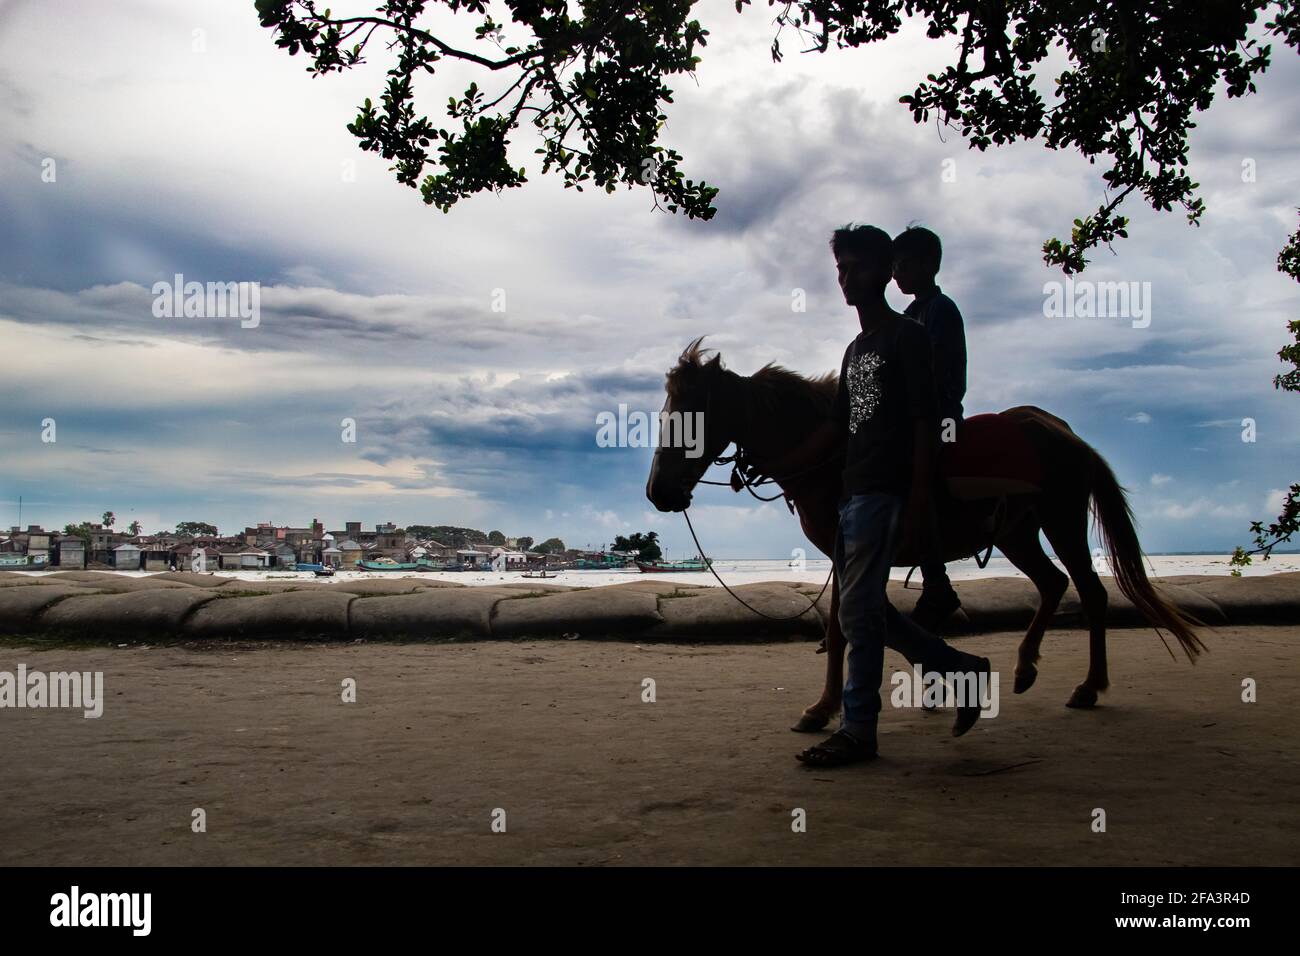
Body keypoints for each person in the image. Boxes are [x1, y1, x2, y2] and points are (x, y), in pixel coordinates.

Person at [765, 224, 990, 767]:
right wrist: (776, 465)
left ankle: (859, 730)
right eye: (841, 268)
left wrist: (915, 499)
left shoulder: (904, 338)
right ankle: (961, 670)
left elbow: (923, 422)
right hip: (853, 492)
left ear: (886, 270)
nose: (847, 278)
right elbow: (843, 426)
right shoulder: (857, 349)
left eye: (858, 266)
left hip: (885, 491)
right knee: (866, 611)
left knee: (860, 614)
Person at [893, 225, 967, 631]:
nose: (896, 272)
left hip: (942, 417)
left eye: (902, 264)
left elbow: (935, 375)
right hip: (915, 417)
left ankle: (937, 583)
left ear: (927, 264)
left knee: (915, 472)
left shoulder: (940, 309)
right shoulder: (909, 314)